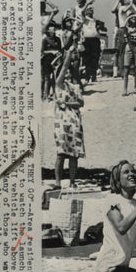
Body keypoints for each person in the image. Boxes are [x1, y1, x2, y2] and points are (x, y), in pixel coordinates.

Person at [53, 42, 85, 188]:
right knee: (61, 154)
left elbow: (81, 103)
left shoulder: (76, 86)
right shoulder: (59, 85)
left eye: (67, 72)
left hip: (75, 123)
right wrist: (68, 54)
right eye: (63, 72)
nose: (66, 73)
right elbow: (64, 66)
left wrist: (67, 104)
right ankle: (58, 182)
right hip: (62, 123)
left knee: (74, 155)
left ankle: (72, 181)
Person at [41, 22, 62, 101]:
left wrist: (58, 54)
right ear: (48, 31)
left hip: (56, 60)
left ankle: (55, 94)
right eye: (51, 30)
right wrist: (51, 52)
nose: (52, 32)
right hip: (46, 60)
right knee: (47, 78)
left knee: (55, 78)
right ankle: (46, 95)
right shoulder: (45, 39)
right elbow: (42, 51)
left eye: (54, 30)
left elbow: (60, 49)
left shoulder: (58, 39)